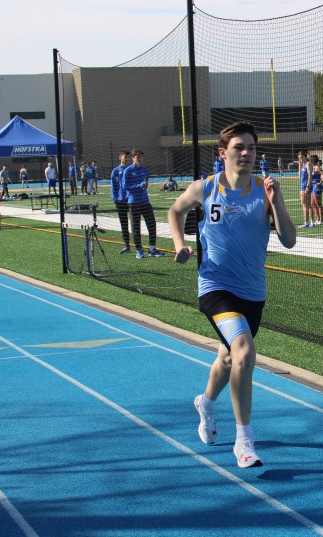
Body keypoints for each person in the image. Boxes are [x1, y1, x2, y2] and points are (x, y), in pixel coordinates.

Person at [167, 121, 296, 468]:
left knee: (228, 358)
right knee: (244, 351)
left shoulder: (264, 191)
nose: (246, 153)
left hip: (252, 291)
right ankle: (244, 441)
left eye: (251, 148)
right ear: (223, 153)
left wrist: (276, 202)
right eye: (239, 147)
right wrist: (179, 245)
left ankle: (206, 403)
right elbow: (175, 211)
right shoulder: (205, 188)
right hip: (215, 286)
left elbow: (289, 240)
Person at [122, 149, 163, 258]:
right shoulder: (128, 171)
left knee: (152, 224)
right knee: (136, 228)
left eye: (141, 157)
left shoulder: (145, 170)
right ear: (133, 158)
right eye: (137, 157)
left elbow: (146, 184)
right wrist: (139, 186)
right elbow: (124, 186)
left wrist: (143, 187)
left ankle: (152, 249)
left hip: (145, 202)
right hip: (134, 203)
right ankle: (139, 250)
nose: (139, 159)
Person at [110, 151, 133, 253]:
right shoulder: (115, 171)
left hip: (131, 201)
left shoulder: (131, 170)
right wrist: (115, 198)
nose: (126, 159)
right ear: (120, 157)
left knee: (134, 223)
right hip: (120, 201)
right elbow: (113, 186)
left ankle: (138, 246)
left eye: (128, 157)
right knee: (124, 224)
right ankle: (127, 245)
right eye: (125, 157)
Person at [309, 155, 323, 225]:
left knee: (318, 204)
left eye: (310, 159)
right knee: (313, 204)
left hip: (317, 187)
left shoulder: (317, 167)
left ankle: (321, 220)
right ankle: (318, 219)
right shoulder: (312, 167)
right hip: (313, 187)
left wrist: (319, 183)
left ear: (313, 160)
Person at [298, 151, 313, 228]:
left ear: (305, 157)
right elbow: (299, 176)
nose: (300, 159)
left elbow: (310, 175)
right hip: (302, 186)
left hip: (306, 186)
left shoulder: (308, 164)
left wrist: (308, 186)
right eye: (299, 158)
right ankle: (309, 222)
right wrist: (300, 165)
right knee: (305, 204)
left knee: (306, 204)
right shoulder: (303, 165)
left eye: (301, 157)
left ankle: (308, 222)